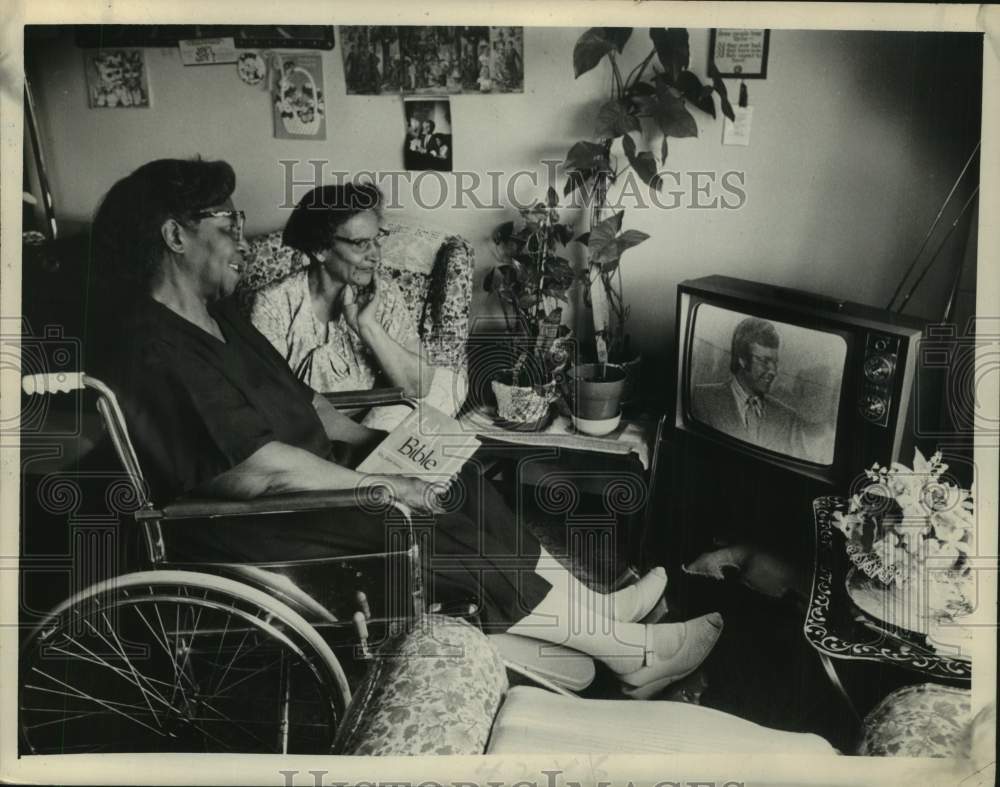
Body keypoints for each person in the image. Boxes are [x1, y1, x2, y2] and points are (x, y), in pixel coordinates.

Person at [90, 157, 723, 700]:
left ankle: (597, 613)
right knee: (422, 519)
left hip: (316, 483)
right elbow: (258, 473)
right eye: (228, 224)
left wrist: (384, 448)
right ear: (175, 235)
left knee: (456, 476)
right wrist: (385, 486)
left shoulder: (220, 317)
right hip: (264, 522)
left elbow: (310, 405)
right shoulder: (151, 350)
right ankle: (632, 654)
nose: (243, 241)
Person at [249, 183, 457, 414]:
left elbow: (419, 386)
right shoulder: (272, 305)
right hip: (304, 424)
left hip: (373, 419)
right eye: (360, 244)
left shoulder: (383, 291)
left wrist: (367, 326)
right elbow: (270, 403)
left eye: (377, 240)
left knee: (443, 383)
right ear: (320, 249)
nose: (375, 255)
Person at [691, 317, 808, 456]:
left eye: (775, 362)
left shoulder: (788, 417)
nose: (773, 371)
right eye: (764, 361)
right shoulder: (703, 399)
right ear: (742, 360)